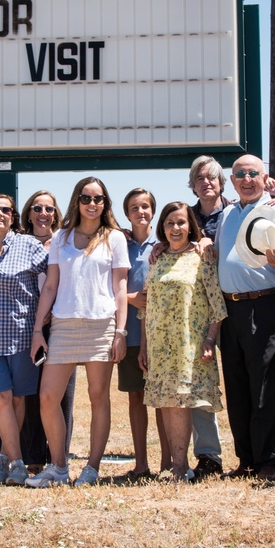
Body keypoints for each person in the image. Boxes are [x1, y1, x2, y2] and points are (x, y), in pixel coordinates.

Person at [26, 177, 130, 487]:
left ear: (105, 204)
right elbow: (51, 286)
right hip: (63, 325)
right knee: (47, 397)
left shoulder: (115, 238)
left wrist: (120, 332)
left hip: (101, 325)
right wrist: (37, 330)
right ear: (77, 201)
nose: (92, 204)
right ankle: (59, 468)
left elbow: (121, 288)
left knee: (98, 397)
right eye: (86, 198)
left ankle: (92, 468)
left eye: (98, 199)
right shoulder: (61, 238)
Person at [214, 154, 275, 480]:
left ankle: (268, 461)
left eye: (253, 173)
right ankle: (245, 460)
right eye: (240, 174)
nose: (247, 179)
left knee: (260, 383)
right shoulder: (227, 213)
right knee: (235, 384)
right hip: (230, 307)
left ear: (264, 178)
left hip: (263, 305)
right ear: (232, 181)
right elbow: (218, 252)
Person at [140, 202, 228, 481]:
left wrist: (210, 339)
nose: (175, 228)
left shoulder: (202, 256)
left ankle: (180, 467)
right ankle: (178, 464)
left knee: (180, 403)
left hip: (188, 343)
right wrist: (143, 347)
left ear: (191, 225)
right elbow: (147, 304)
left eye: (180, 223)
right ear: (161, 227)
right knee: (167, 401)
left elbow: (217, 304)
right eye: (169, 223)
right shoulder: (158, 258)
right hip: (159, 344)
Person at [0, 194, 48, 486]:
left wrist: (46, 317)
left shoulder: (29, 245)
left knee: (17, 400)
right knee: (0, 399)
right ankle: (18, 463)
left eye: (6, 210)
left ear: (13, 216)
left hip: (23, 337)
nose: (0, 214)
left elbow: (55, 279)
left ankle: (4, 460)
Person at [17, 190, 77, 468]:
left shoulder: (66, 242)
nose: (43, 214)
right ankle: (33, 458)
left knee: (61, 394)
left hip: (60, 326)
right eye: (37, 208)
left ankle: (59, 458)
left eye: (49, 209)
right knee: (30, 393)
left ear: (56, 214)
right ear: (28, 213)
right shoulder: (16, 243)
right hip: (27, 326)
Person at [184, 155, 230, 479]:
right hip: (201, 313)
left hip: (240, 306)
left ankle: (251, 455)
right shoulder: (184, 217)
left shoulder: (236, 212)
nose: (206, 182)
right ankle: (208, 456)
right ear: (192, 184)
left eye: (212, 177)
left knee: (241, 388)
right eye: (200, 178)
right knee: (199, 385)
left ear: (221, 182)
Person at [120, 188, 168, 477]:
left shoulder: (163, 244)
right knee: (136, 397)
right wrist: (129, 297)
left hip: (160, 335)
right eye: (135, 207)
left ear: (153, 211)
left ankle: (167, 462)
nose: (141, 212)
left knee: (161, 399)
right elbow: (106, 284)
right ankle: (141, 464)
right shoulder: (118, 244)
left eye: (146, 206)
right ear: (127, 213)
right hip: (131, 334)